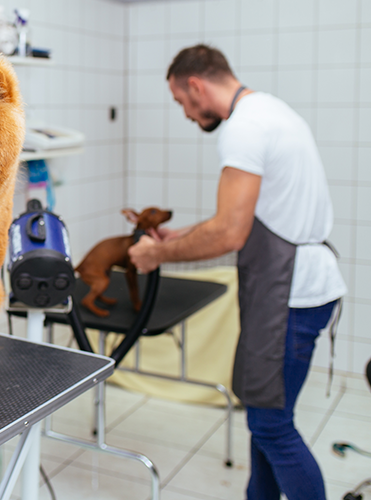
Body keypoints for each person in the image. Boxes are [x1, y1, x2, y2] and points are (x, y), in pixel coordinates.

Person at [129, 44, 346, 500]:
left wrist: (156, 257)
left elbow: (229, 232)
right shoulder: (272, 112)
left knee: (271, 425)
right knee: (264, 420)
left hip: (291, 295)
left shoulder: (243, 128)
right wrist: (179, 235)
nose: (187, 114)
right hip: (300, 286)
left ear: (195, 85)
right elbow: (255, 216)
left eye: (181, 103)